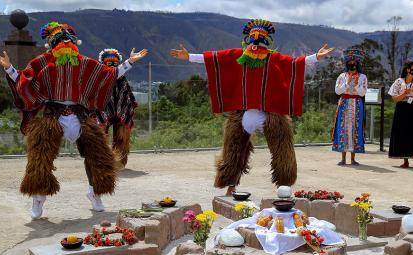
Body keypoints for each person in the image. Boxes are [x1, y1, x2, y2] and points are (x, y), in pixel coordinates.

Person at [0, 21, 148, 219]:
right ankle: (38, 198)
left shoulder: (85, 63)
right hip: (52, 117)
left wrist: (129, 62)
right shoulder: (41, 62)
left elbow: (109, 75)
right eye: (60, 39)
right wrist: (9, 69)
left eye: (69, 39)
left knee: (98, 154)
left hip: (80, 116)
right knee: (40, 156)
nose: (65, 41)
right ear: (52, 42)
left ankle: (95, 193)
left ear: (75, 42)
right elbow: (25, 81)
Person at [170, 19, 335, 195]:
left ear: (267, 40)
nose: (256, 41)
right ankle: (231, 185)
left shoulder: (274, 58)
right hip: (244, 114)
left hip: (270, 114)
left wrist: (316, 57)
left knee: (282, 148)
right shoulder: (238, 56)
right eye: (253, 37)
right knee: (233, 149)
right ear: (247, 39)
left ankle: (283, 187)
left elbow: (295, 63)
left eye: (260, 38)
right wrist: (189, 57)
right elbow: (214, 59)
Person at [95, 49, 138, 167]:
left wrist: (128, 105)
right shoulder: (100, 77)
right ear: (103, 62)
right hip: (103, 109)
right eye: (108, 62)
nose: (112, 64)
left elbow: (126, 94)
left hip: (121, 109)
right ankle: (102, 160)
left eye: (114, 62)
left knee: (122, 136)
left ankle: (120, 160)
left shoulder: (122, 78)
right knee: (101, 134)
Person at [332, 48, 368, 165]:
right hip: (344, 103)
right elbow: (337, 91)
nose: (352, 65)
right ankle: (343, 158)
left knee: (355, 129)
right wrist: (348, 82)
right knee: (344, 129)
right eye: (350, 63)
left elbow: (362, 93)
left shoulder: (363, 77)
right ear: (347, 64)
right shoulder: (342, 76)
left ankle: (353, 158)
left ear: (357, 64)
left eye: (354, 63)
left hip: (357, 103)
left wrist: (356, 85)